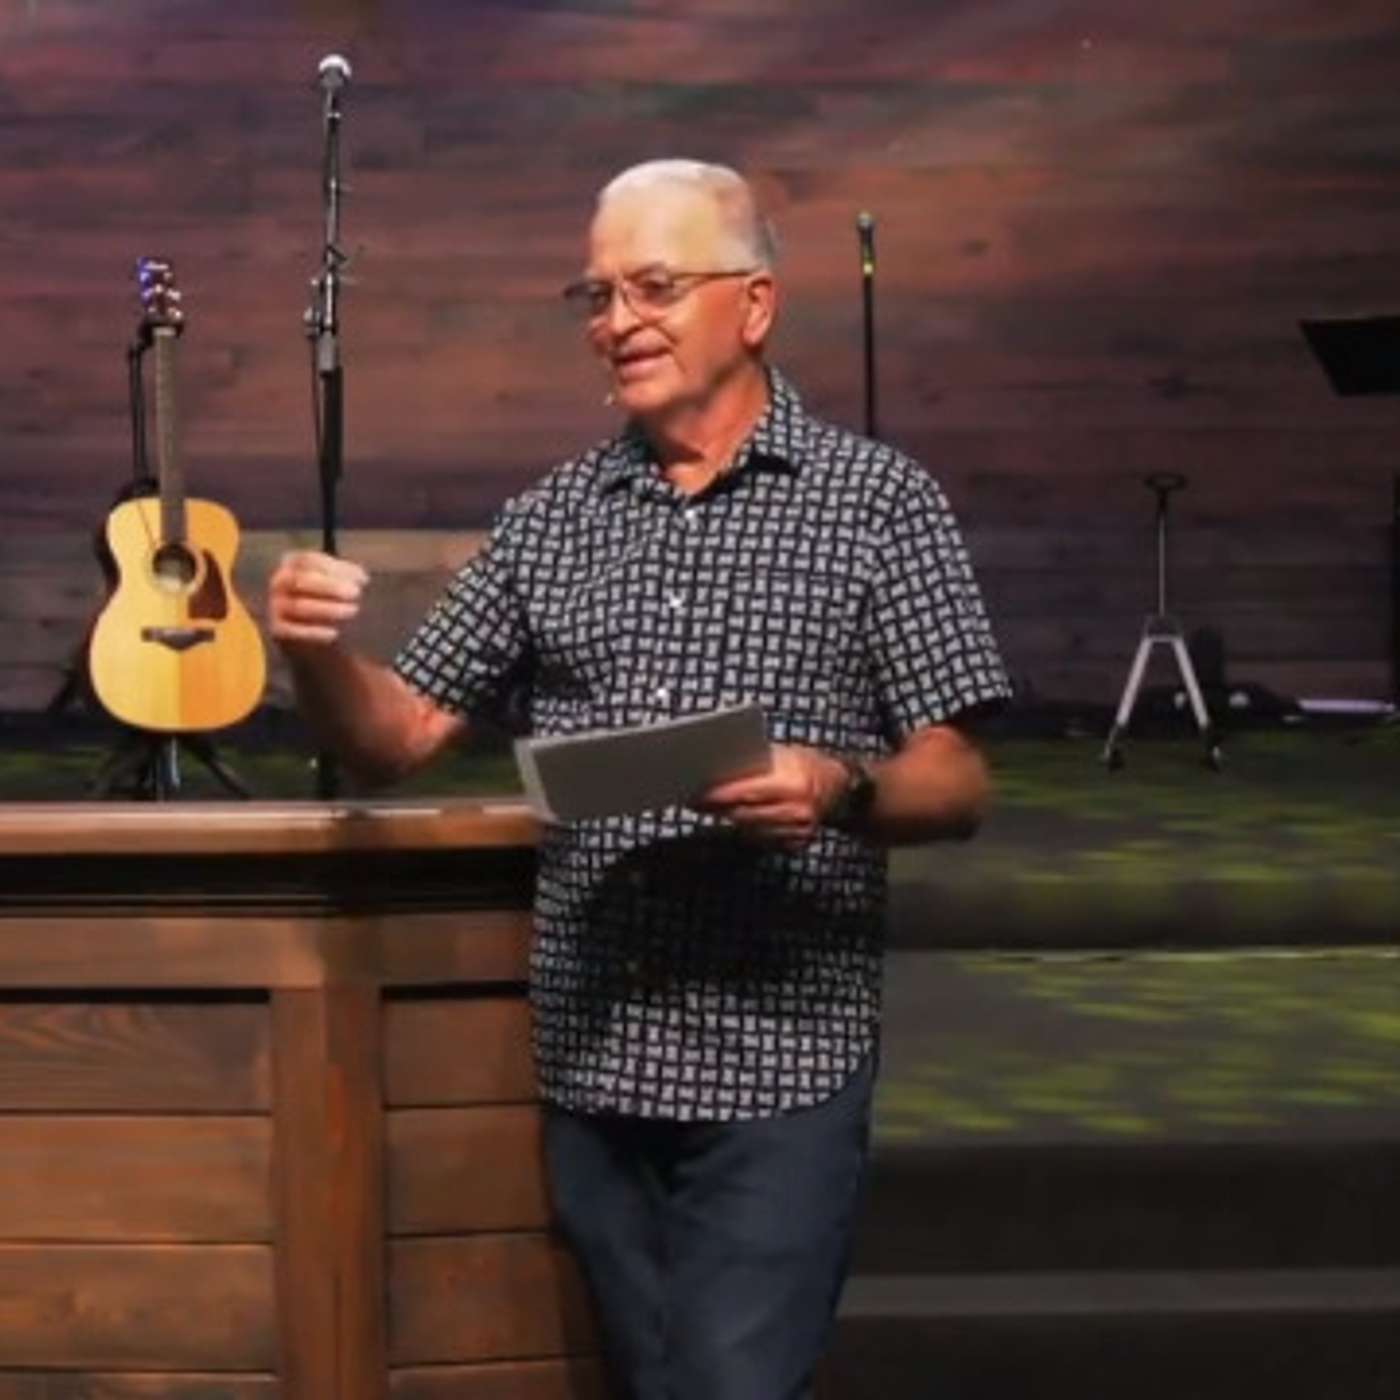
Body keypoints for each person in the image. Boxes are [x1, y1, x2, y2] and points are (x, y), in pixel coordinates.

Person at [267, 158, 1011, 1400]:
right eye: (597, 295)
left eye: (653, 287)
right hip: (595, 1057)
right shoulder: (552, 518)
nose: (617, 321)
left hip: (781, 1051)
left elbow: (959, 777)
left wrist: (837, 786)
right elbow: (394, 735)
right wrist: (314, 656)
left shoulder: (878, 503)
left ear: (754, 304)